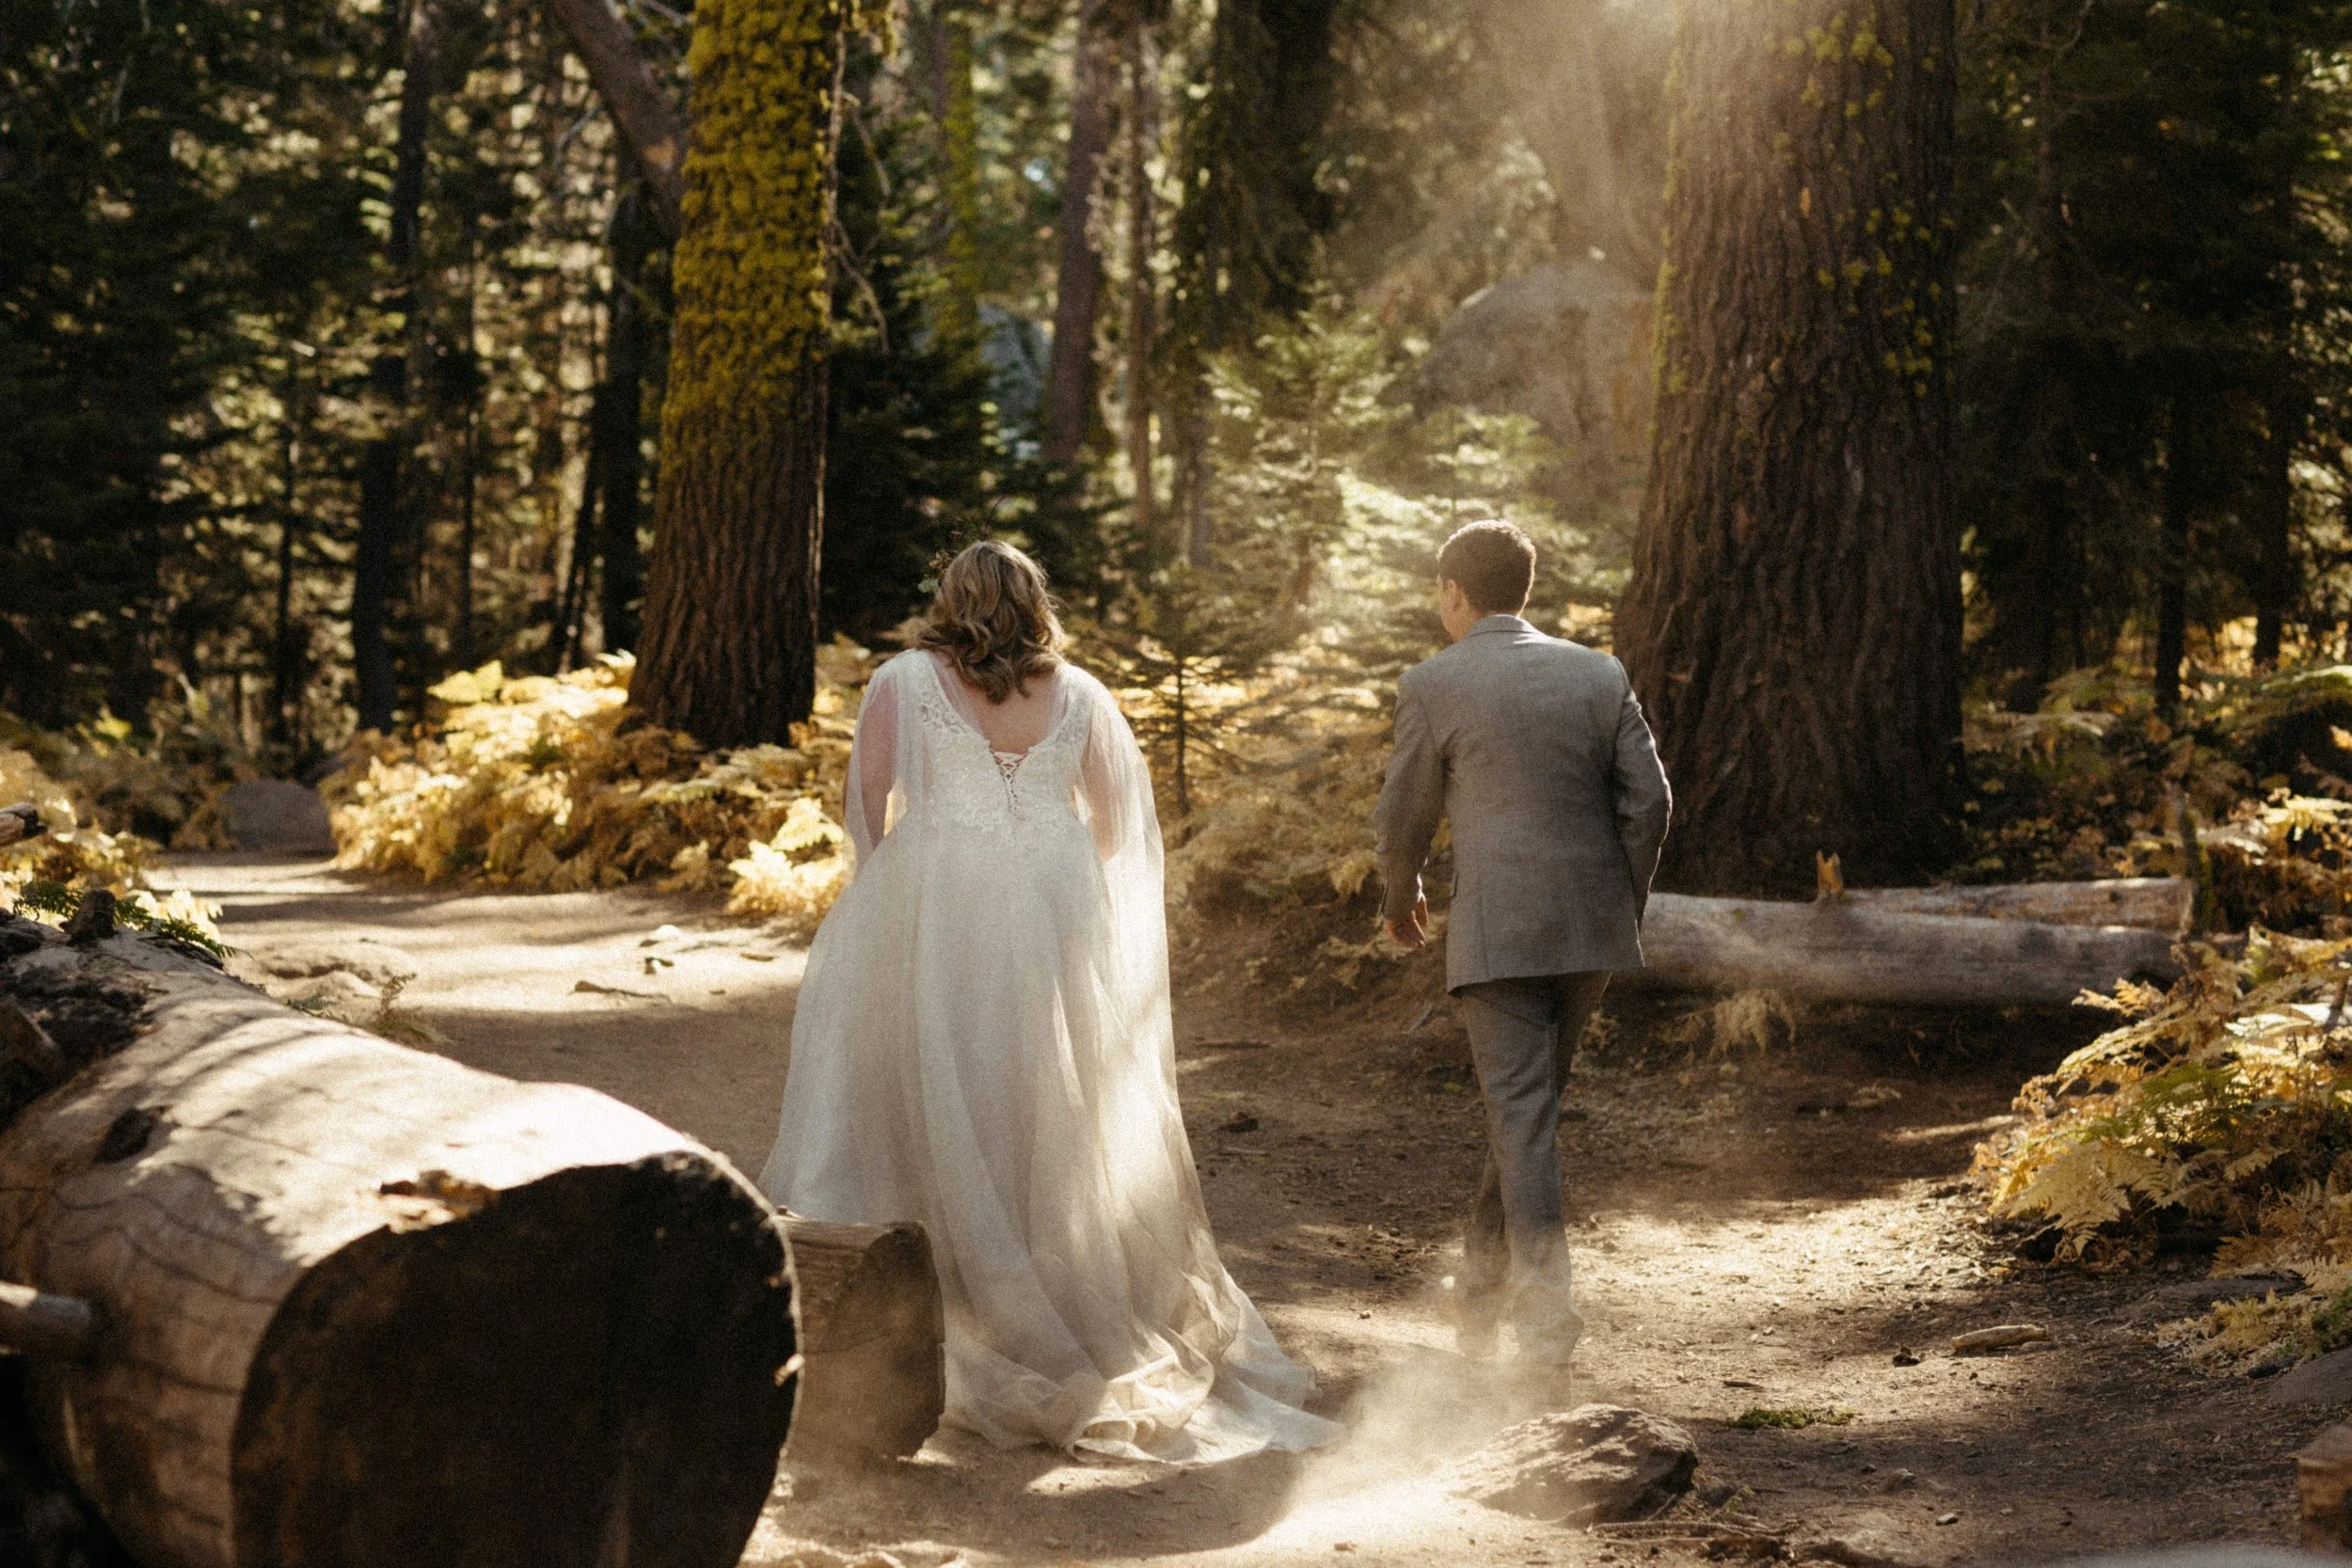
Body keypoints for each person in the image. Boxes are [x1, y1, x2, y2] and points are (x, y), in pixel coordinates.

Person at [760, 540, 1340, 1464]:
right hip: (1049, 913)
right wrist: (1047, 872)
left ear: (952, 601)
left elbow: (866, 800)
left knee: (934, 1083)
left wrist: (889, 894)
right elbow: (1115, 826)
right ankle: (1045, 1284)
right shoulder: (1081, 695)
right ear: (1036, 604)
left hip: (939, 909)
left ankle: (944, 1292)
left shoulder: (905, 680)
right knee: (1045, 1099)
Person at [1373, 520, 1672, 1365]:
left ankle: (1544, 1327)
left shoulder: (1434, 682)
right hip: (1590, 932)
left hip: (1497, 934)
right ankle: (1478, 1288)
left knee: (1523, 1118)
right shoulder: (1599, 672)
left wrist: (1400, 895)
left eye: (1439, 591)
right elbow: (1652, 802)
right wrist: (1619, 903)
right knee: (1527, 1115)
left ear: (1454, 592)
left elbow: (1402, 815)